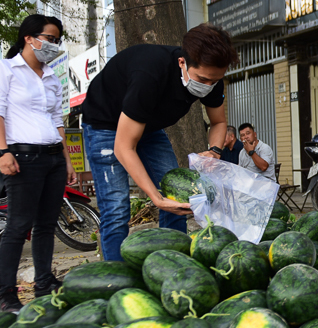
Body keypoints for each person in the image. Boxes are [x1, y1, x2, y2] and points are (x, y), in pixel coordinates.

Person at [81, 23, 237, 261]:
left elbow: (218, 122)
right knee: (116, 210)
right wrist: (154, 196)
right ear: (182, 62)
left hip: (149, 127)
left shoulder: (212, 79)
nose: (207, 87)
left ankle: (172, 264)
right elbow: (124, 147)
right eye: (202, 79)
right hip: (106, 125)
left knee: (178, 197)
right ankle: (115, 278)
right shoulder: (149, 74)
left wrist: (214, 152)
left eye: (214, 81)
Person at [0, 14, 76, 312]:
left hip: (52, 157)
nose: (53, 45)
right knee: (18, 226)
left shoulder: (51, 76)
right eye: (49, 38)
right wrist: (2, 152)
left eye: (56, 40)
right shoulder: (5, 69)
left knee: (47, 225)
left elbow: (56, 119)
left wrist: (68, 161)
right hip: (21, 156)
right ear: (29, 37)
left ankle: (44, 282)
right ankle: (7, 295)